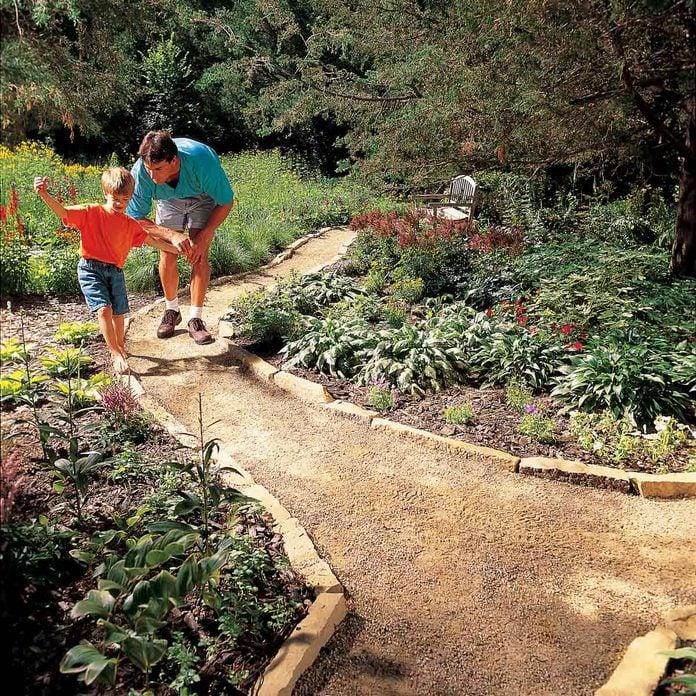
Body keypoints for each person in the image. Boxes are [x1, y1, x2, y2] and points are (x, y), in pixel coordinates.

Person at [33, 168, 182, 374]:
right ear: (105, 193)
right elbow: (64, 212)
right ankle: (115, 353)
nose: (120, 202)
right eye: (115, 197)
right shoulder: (91, 212)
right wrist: (44, 194)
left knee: (119, 314)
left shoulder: (130, 223)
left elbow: (152, 240)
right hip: (90, 269)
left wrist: (176, 250)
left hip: (115, 271)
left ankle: (120, 347)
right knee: (104, 309)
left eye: (125, 198)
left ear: (131, 198)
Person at [126, 131, 234, 345]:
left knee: (199, 253)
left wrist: (205, 234)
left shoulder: (201, 161)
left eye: (158, 169)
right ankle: (172, 310)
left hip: (202, 197)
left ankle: (196, 318)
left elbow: (226, 201)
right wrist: (171, 235)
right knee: (167, 253)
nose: (153, 177)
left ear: (173, 160)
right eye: (150, 170)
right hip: (168, 202)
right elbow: (135, 217)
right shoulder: (141, 172)